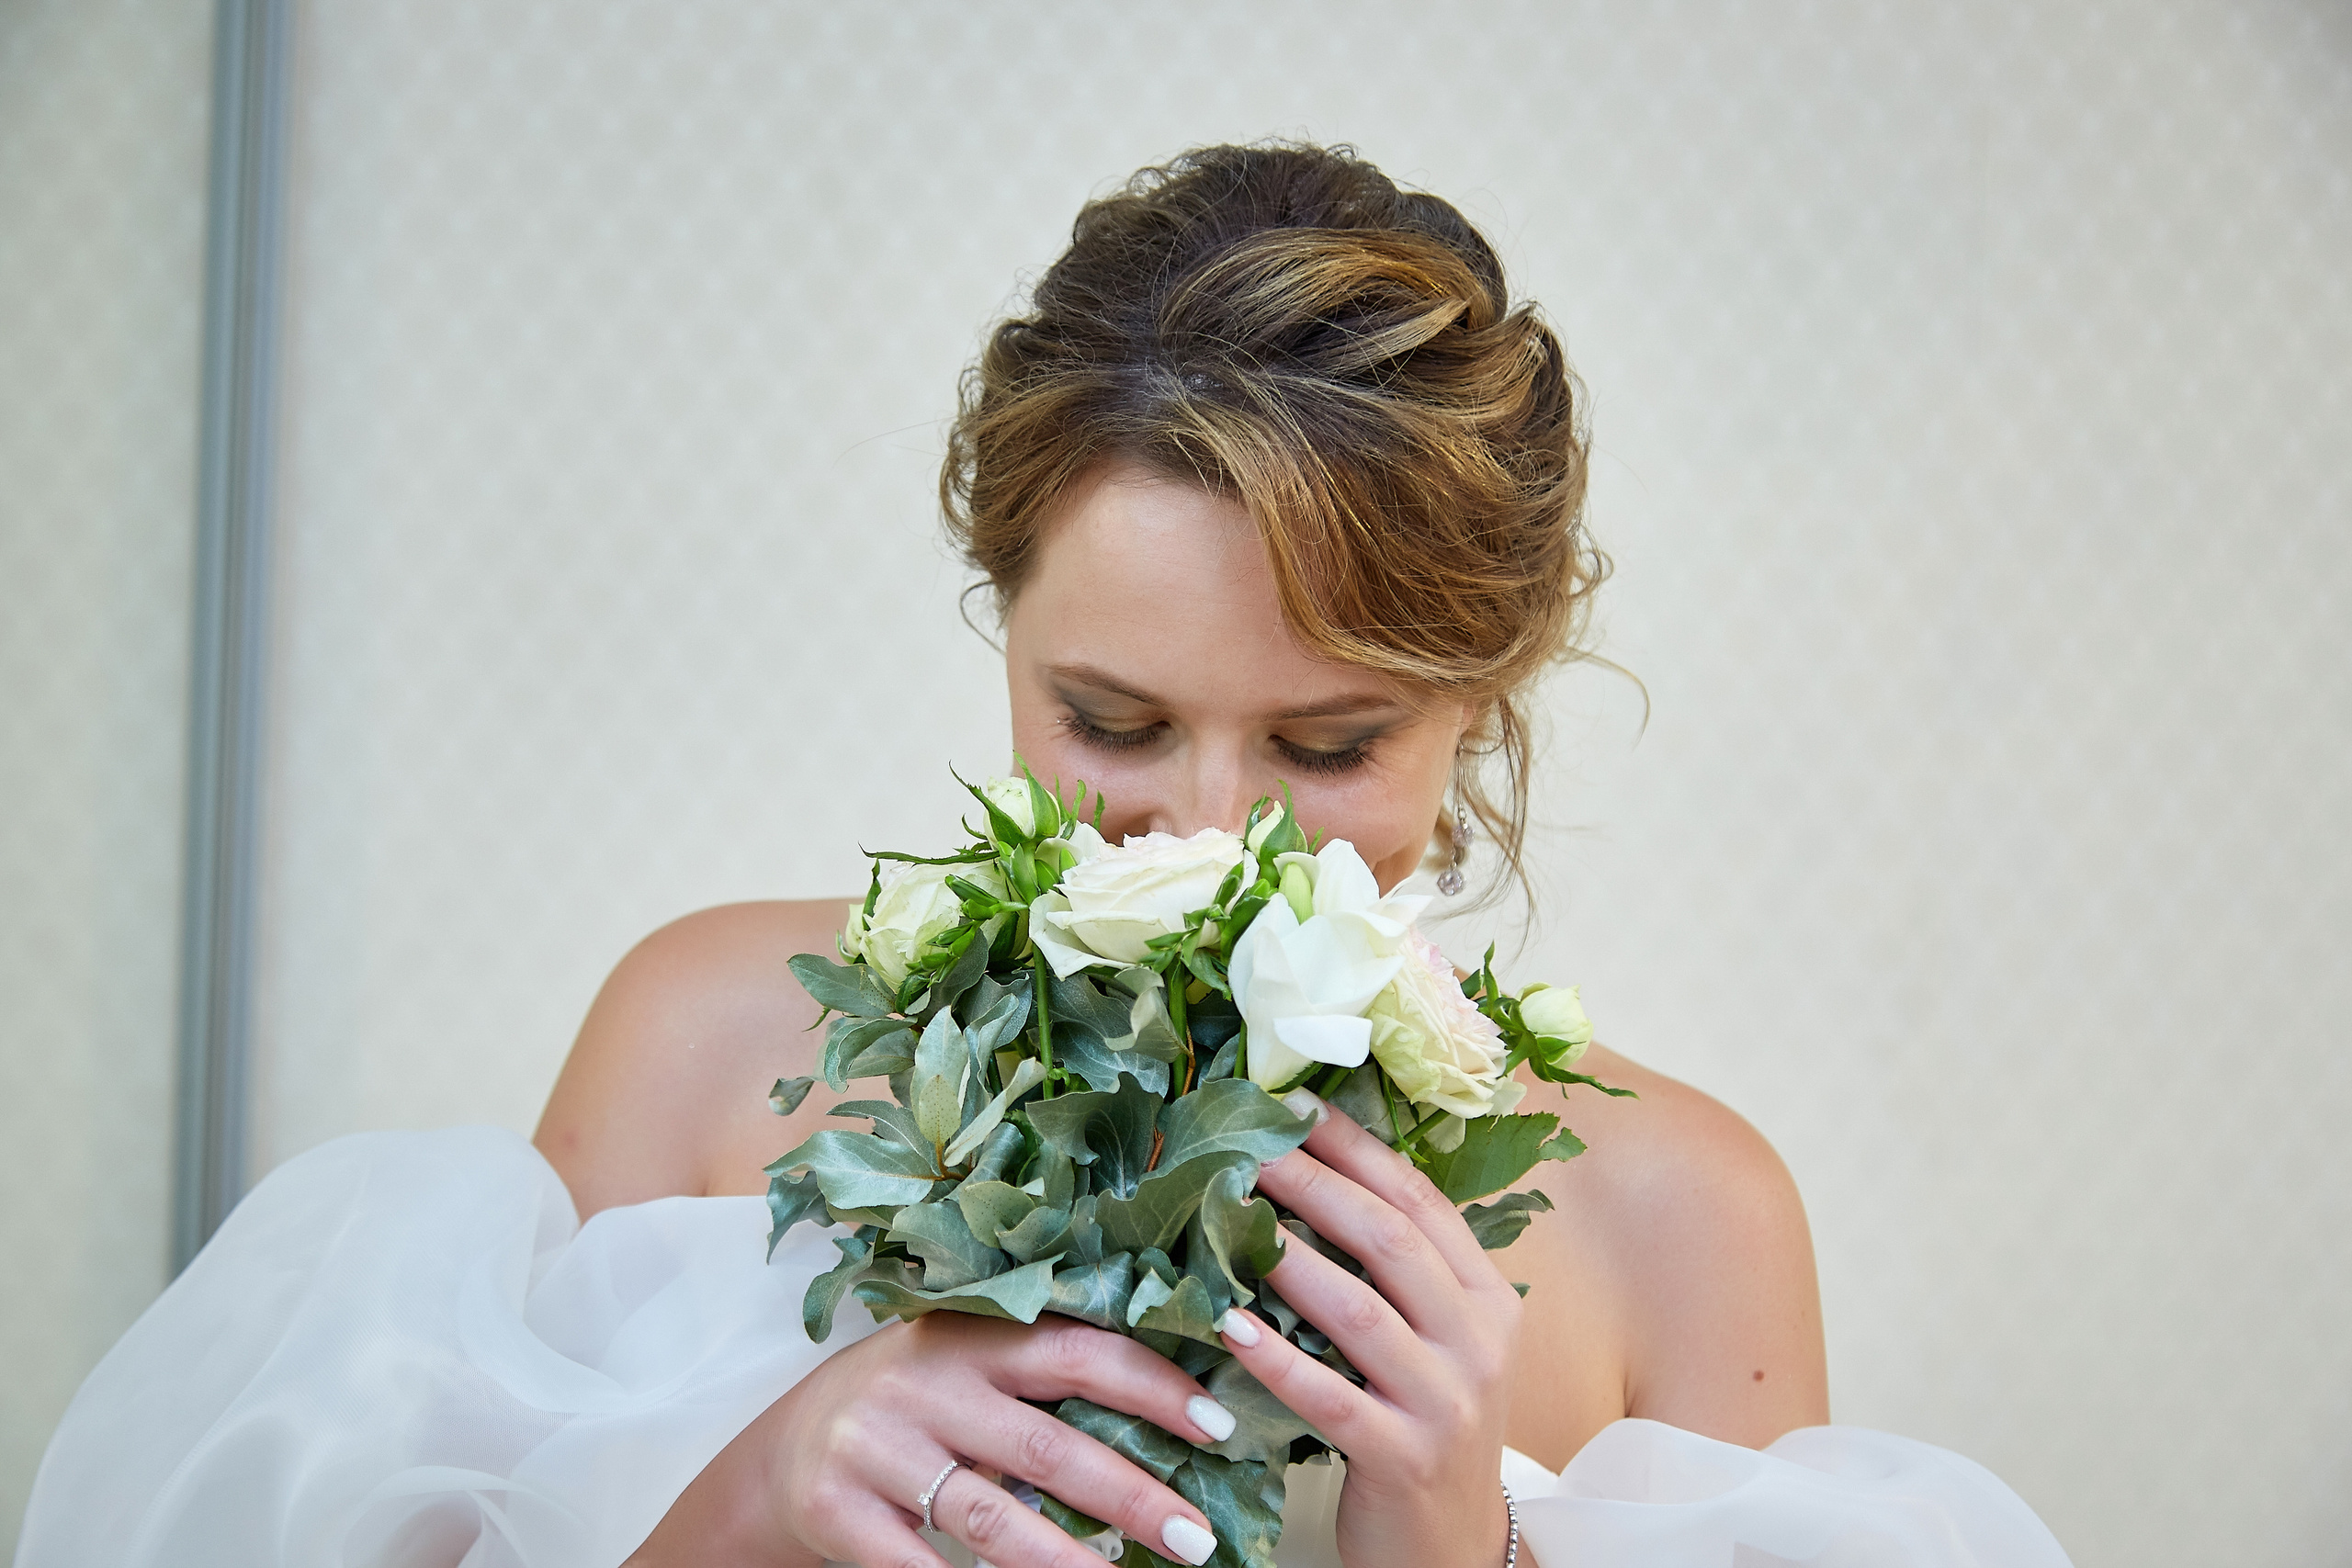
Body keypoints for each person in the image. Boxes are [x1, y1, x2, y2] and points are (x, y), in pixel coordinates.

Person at [18, 142, 2066, 1568]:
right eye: (1110, 719)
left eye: (1327, 741)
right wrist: (766, 1484)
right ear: (1004, 625)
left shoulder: (1680, 1214)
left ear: (1481, 696)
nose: (1203, 829)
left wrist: (1464, 1536)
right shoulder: (697, 1032)